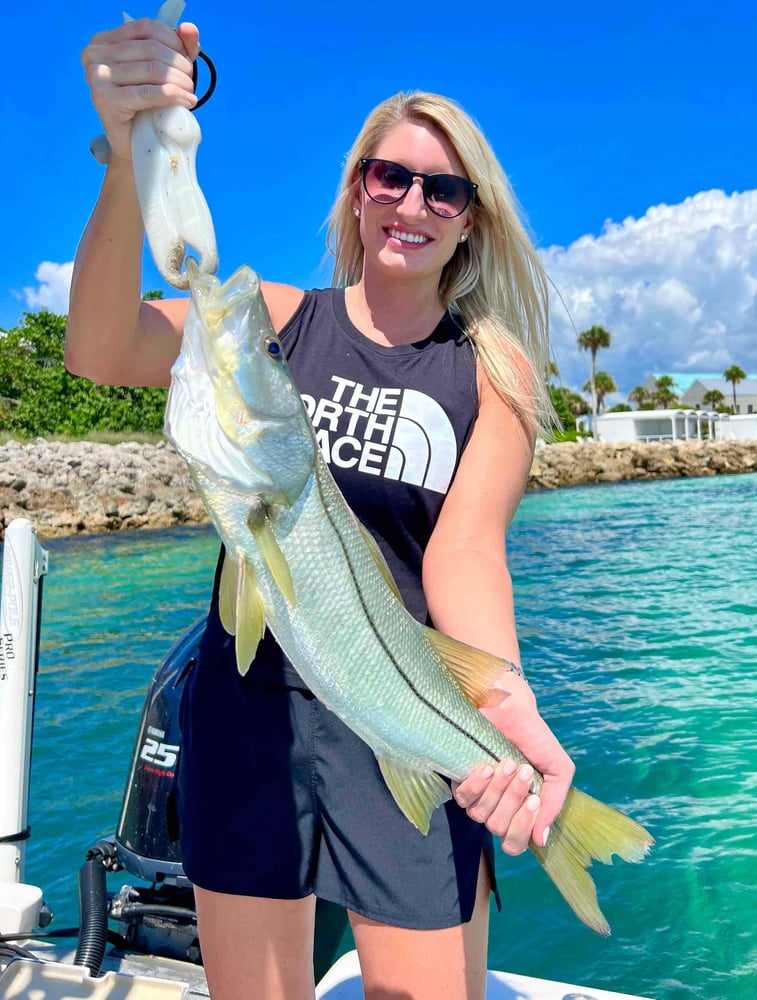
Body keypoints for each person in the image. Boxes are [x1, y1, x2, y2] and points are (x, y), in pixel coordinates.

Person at [69, 16, 575, 1000]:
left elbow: (462, 557)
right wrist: (130, 155)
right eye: (390, 176)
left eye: (445, 187)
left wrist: (507, 701)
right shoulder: (272, 323)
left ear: (471, 217)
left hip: (402, 712)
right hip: (246, 712)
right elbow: (99, 347)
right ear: (356, 191)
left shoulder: (490, 372)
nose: (413, 202)